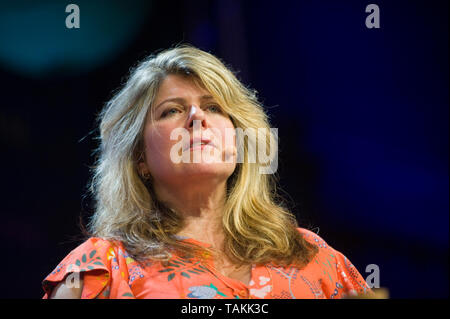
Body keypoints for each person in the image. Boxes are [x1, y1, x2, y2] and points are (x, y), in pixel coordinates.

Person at [42, 45, 372, 299]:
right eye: (172, 110)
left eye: (214, 107)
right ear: (139, 157)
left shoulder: (314, 256)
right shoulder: (100, 267)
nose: (197, 117)